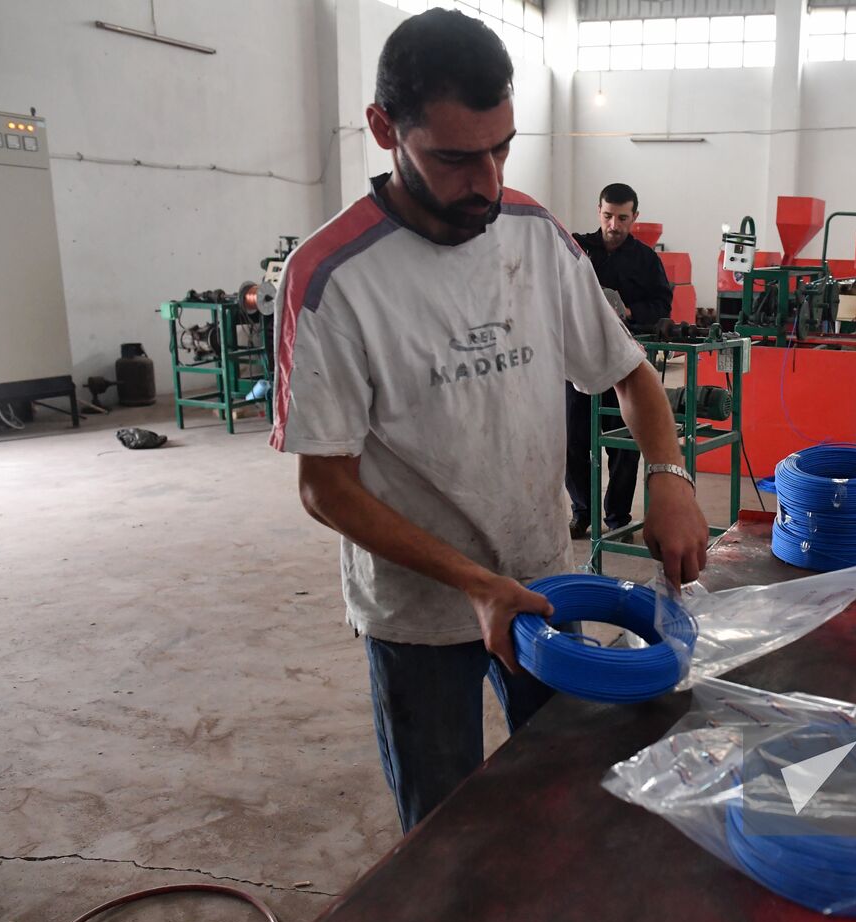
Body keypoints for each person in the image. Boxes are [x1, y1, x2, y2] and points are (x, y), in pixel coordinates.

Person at [268, 10, 707, 834]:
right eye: (456, 158)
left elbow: (632, 375)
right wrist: (472, 584)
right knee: (447, 834)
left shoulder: (535, 237)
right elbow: (325, 487)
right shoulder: (330, 277)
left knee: (579, 788)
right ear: (382, 130)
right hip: (422, 615)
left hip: (544, 581)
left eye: (502, 147)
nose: (489, 181)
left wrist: (670, 477)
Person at [565, 184, 674, 539]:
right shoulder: (576, 248)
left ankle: (617, 519)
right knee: (573, 441)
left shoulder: (645, 260)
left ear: (634, 218)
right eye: (608, 216)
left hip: (624, 365)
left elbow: (662, 305)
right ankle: (582, 513)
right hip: (578, 360)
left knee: (624, 446)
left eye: (622, 218)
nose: (614, 225)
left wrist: (629, 310)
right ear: (599, 211)